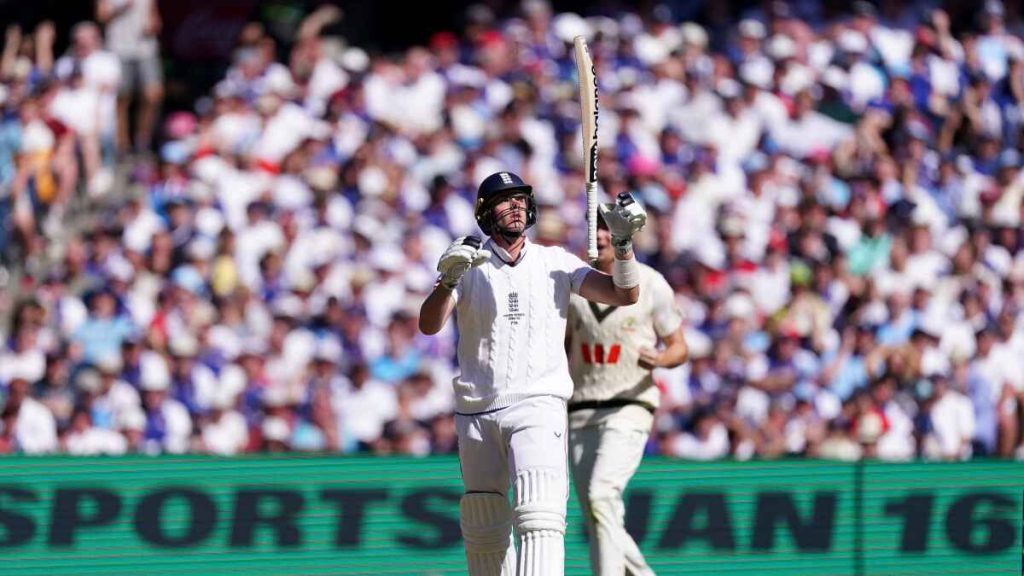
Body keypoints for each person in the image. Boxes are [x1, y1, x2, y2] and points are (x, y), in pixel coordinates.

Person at [418, 171, 647, 576]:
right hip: (476, 409)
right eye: (505, 200)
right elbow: (429, 324)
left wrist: (624, 246)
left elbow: (622, 294)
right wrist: (446, 281)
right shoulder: (468, 262)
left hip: (538, 404)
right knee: (484, 526)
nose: (515, 206)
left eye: (520, 198)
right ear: (485, 213)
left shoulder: (555, 261)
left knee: (539, 517)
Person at [566, 213, 688, 576]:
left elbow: (679, 347)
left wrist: (661, 358)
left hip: (630, 403)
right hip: (580, 407)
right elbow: (563, 344)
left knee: (601, 496)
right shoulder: (572, 283)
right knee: (600, 514)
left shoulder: (651, 283)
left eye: (607, 227)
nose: (601, 235)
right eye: (594, 227)